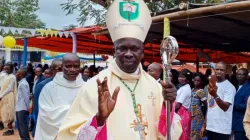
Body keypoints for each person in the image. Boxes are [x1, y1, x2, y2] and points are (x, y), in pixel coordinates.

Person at [56, 0, 178, 139]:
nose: (128, 53)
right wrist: (99, 119)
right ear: (114, 51)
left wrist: (168, 104)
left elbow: (168, 133)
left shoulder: (154, 86)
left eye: (134, 48)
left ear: (143, 52)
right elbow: (70, 135)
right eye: (122, 48)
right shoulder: (95, 86)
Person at [35, 54, 84, 140]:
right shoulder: (49, 88)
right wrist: (74, 108)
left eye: (76, 66)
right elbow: (46, 116)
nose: (72, 69)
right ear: (62, 67)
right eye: (68, 66)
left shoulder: (86, 87)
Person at [201, 62, 236, 140]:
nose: (219, 72)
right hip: (210, 127)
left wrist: (215, 95)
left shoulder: (229, 87)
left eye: (222, 70)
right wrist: (204, 125)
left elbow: (225, 107)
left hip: (222, 129)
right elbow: (210, 107)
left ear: (226, 71)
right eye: (217, 69)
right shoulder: (212, 85)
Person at [32, 59, 62, 137]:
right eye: (59, 69)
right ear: (52, 70)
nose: (62, 71)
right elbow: (37, 109)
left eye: (63, 68)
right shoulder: (43, 85)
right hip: (47, 126)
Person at [0, 63, 17, 136]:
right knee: (4, 111)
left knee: (9, 113)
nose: (5, 70)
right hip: (3, 95)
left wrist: (1, 95)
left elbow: (10, 88)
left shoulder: (12, 77)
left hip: (9, 96)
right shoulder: (5, 76)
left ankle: (10, 130)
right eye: (4, 68)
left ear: (11, 69)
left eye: (7, 68)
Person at [175, 69, 192, 140]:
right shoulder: (183, 87)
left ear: (187, 79)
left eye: (183, 77)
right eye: (179, 77)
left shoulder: (185, 89)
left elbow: (178, 105)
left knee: (180, 135)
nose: (180, 79)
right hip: (182, 113)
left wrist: (171, 113)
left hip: (181, 114)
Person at [190, 72, 207, 140]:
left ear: (202, 82)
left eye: (198, 81)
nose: (196, 82)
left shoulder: (201, 91)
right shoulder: (192, 89)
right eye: (195, 80)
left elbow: (206, 104)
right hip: (192, 116)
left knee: (196, 135)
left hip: (198, 117)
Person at [234, 68, 250, 140]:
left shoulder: (248, 87)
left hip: (242, 123)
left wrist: (234, 106)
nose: (239, 76)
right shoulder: (237, 86)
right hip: (236, 122)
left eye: (242, 74)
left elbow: (247, 105)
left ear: (247, 76)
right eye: (238, 74)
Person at [16, 69, 31, 140]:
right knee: (20, 124)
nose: (16, 74)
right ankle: (23, 137)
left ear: (21, 74)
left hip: (22, 107)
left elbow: (26, 97)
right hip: (19, 106)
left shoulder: (23, 84)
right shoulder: (21, 83)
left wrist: (28, 108)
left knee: (22, 124)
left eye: (17, 73)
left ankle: (26, 138)